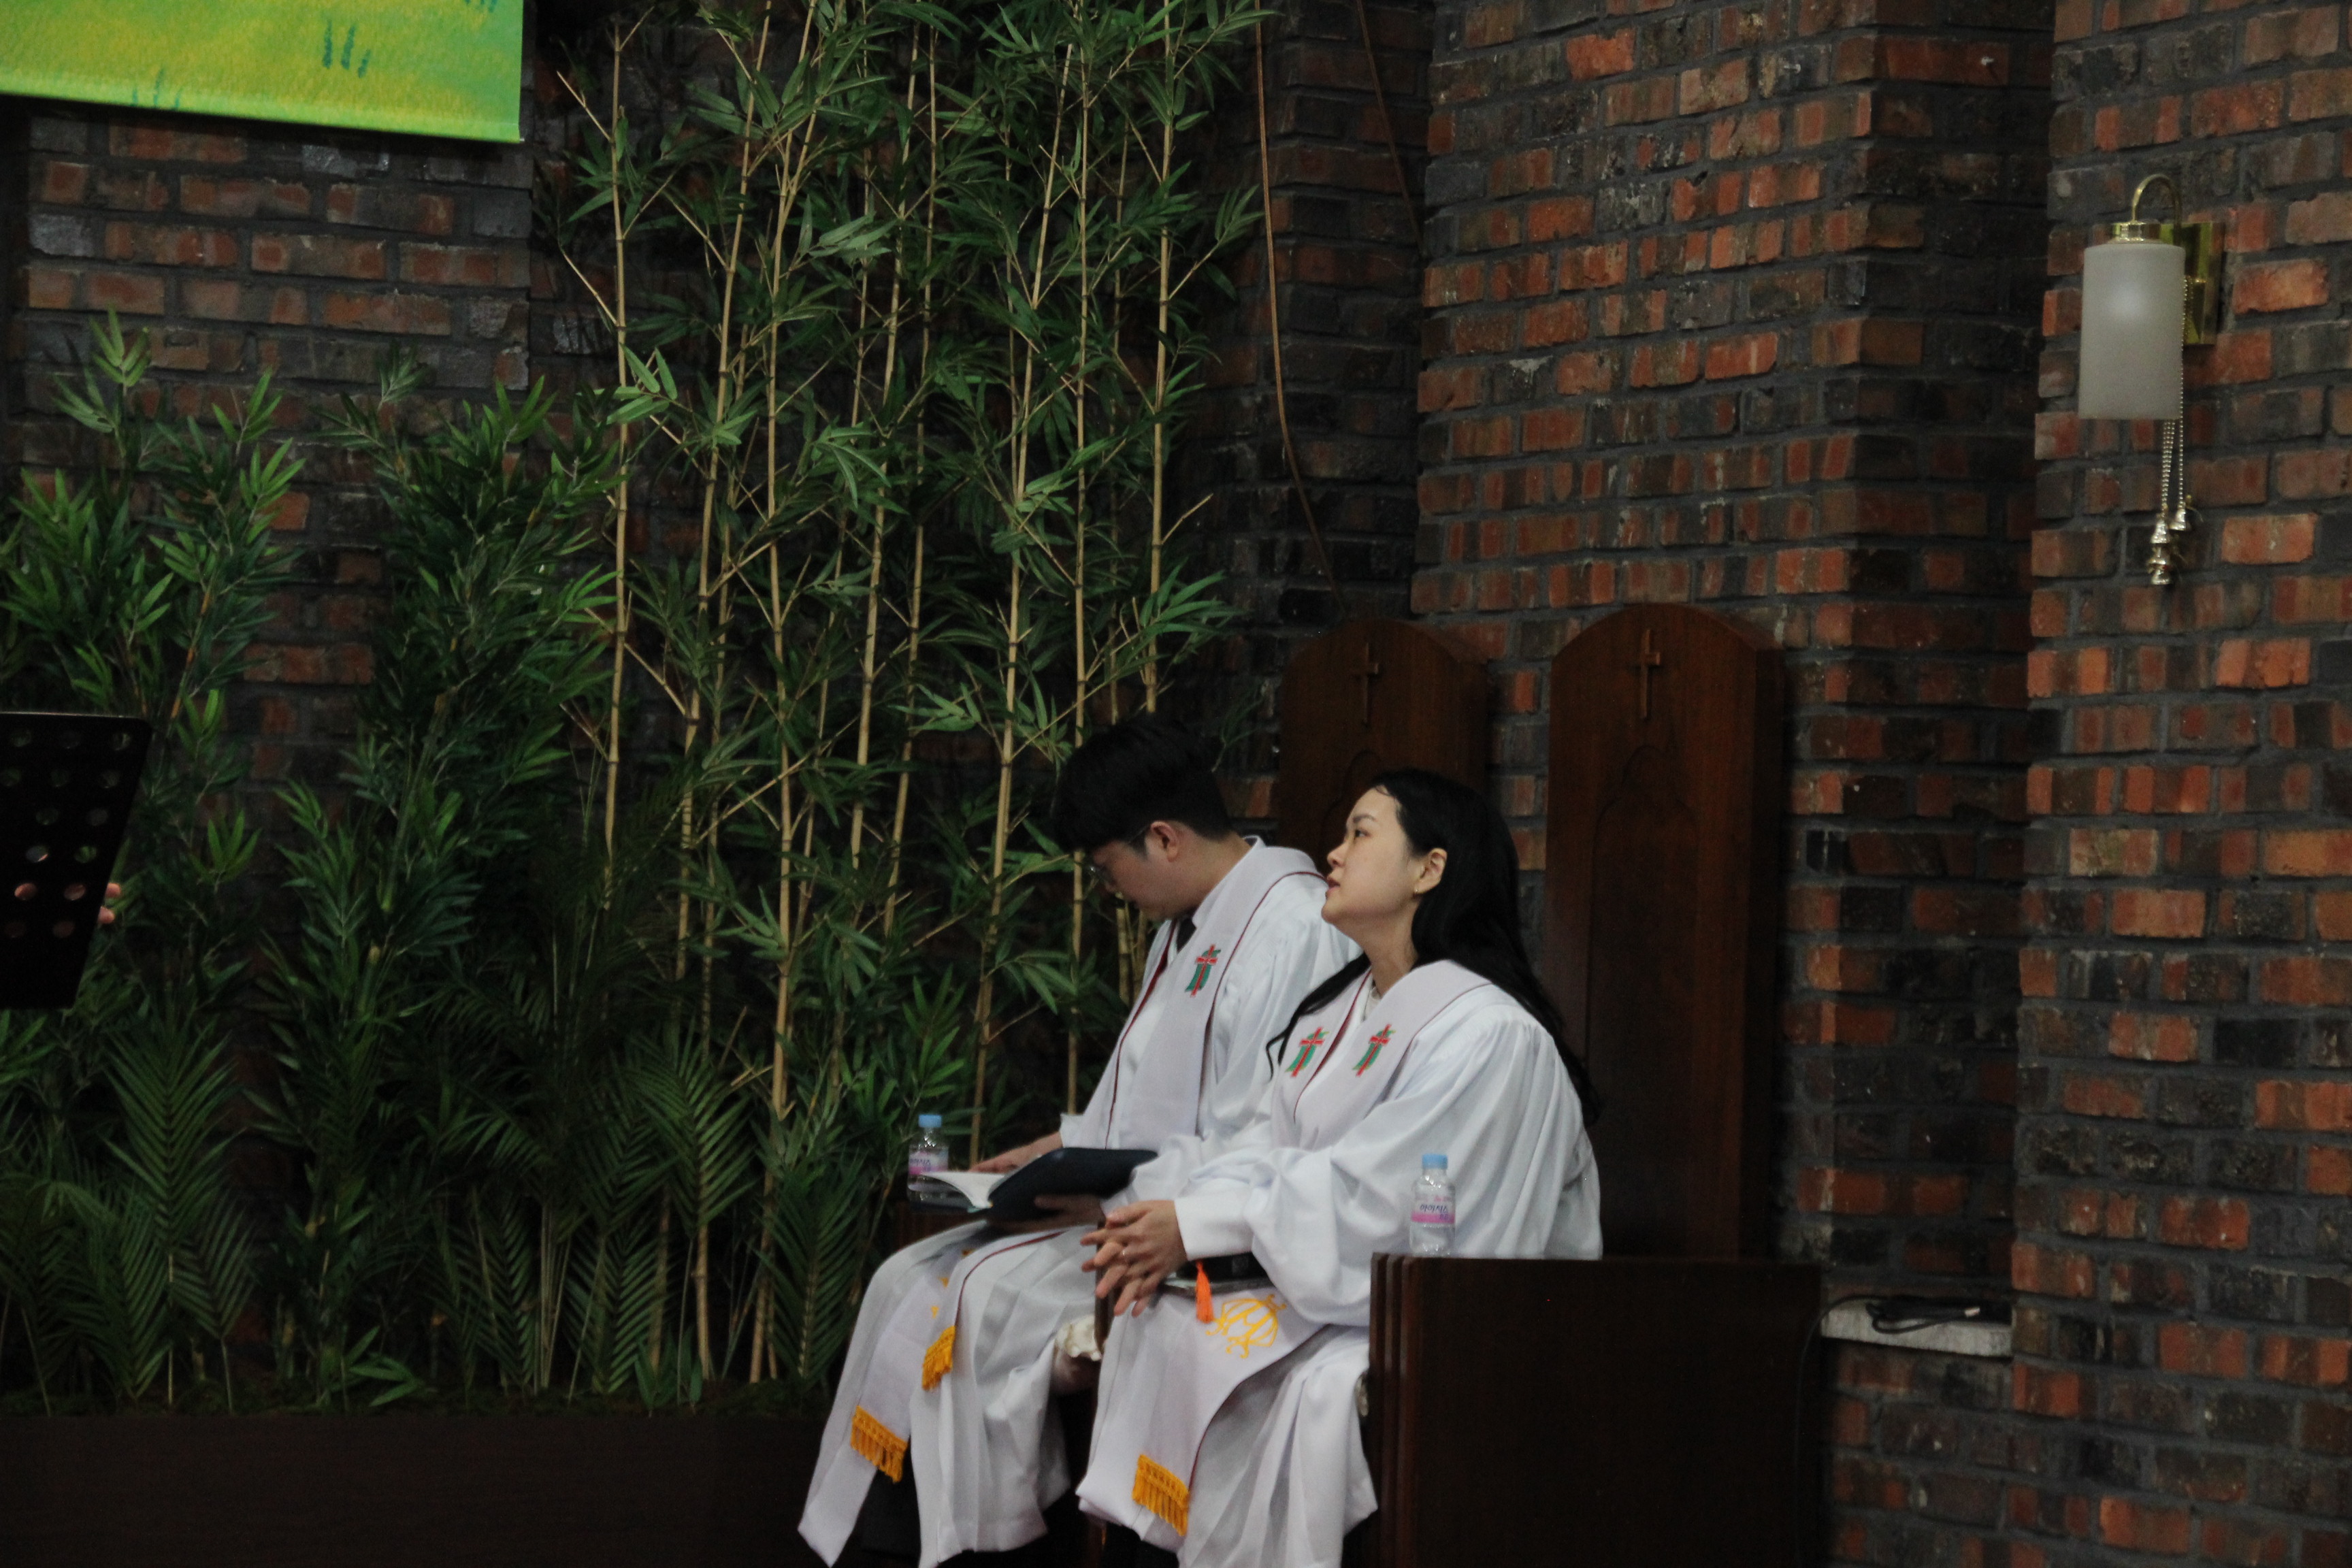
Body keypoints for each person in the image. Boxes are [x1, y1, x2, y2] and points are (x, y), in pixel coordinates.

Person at [799, 715, 1354, 1567]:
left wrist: (1108, 1192)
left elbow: (1268, 1136)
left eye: (1105, 867)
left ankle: (984, 1543)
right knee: (901, 1281)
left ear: (1163, 838)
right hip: (1124, 1203)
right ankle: (890, 1544)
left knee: (976, 1301)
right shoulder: (1186, 924)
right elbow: (1142, 1093)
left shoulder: (1294, 930)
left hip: (1188, 1237)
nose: (1107, 889)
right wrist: (1056, 1148)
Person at [1075, 768, 1601, 1568]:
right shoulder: (1334, 1014)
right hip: (1334, 1287)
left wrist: (1204, 1224)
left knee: (1264, 1377)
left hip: (1457, 1324)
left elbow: (1384, 1200)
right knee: (1165, 1325)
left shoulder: (1488, 1035)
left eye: (1361, 833)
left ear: (1429, 869)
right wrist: (1181, 1215)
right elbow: (1263, 1147)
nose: (1334, 852)